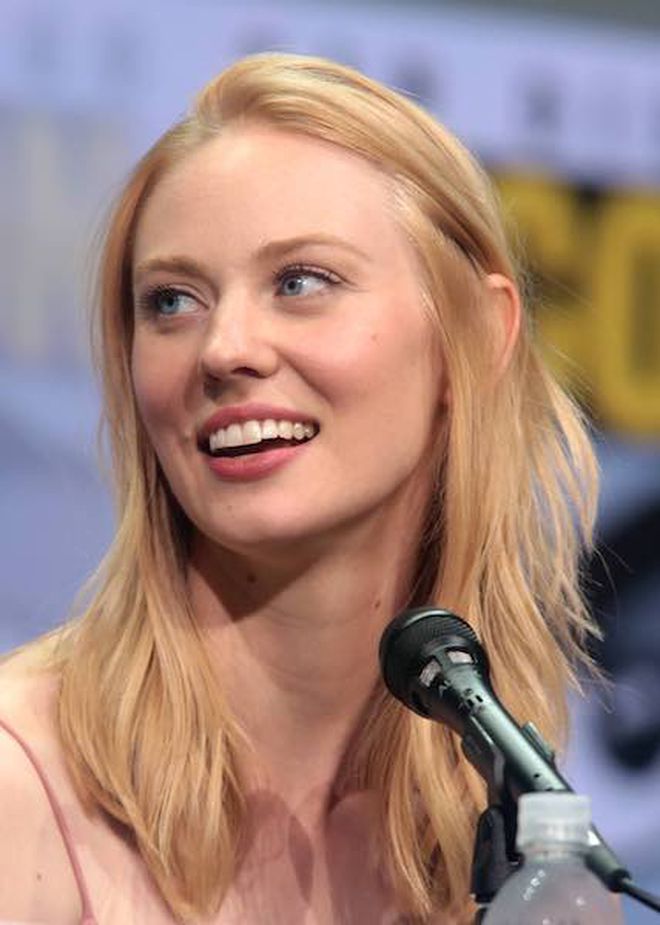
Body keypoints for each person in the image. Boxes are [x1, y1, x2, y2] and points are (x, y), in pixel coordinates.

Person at [0, 53, 599, 924]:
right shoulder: (21, 783)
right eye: (172, 301)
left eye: (300, 282)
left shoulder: (500, 823)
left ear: (474, 330)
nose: (223, 347)